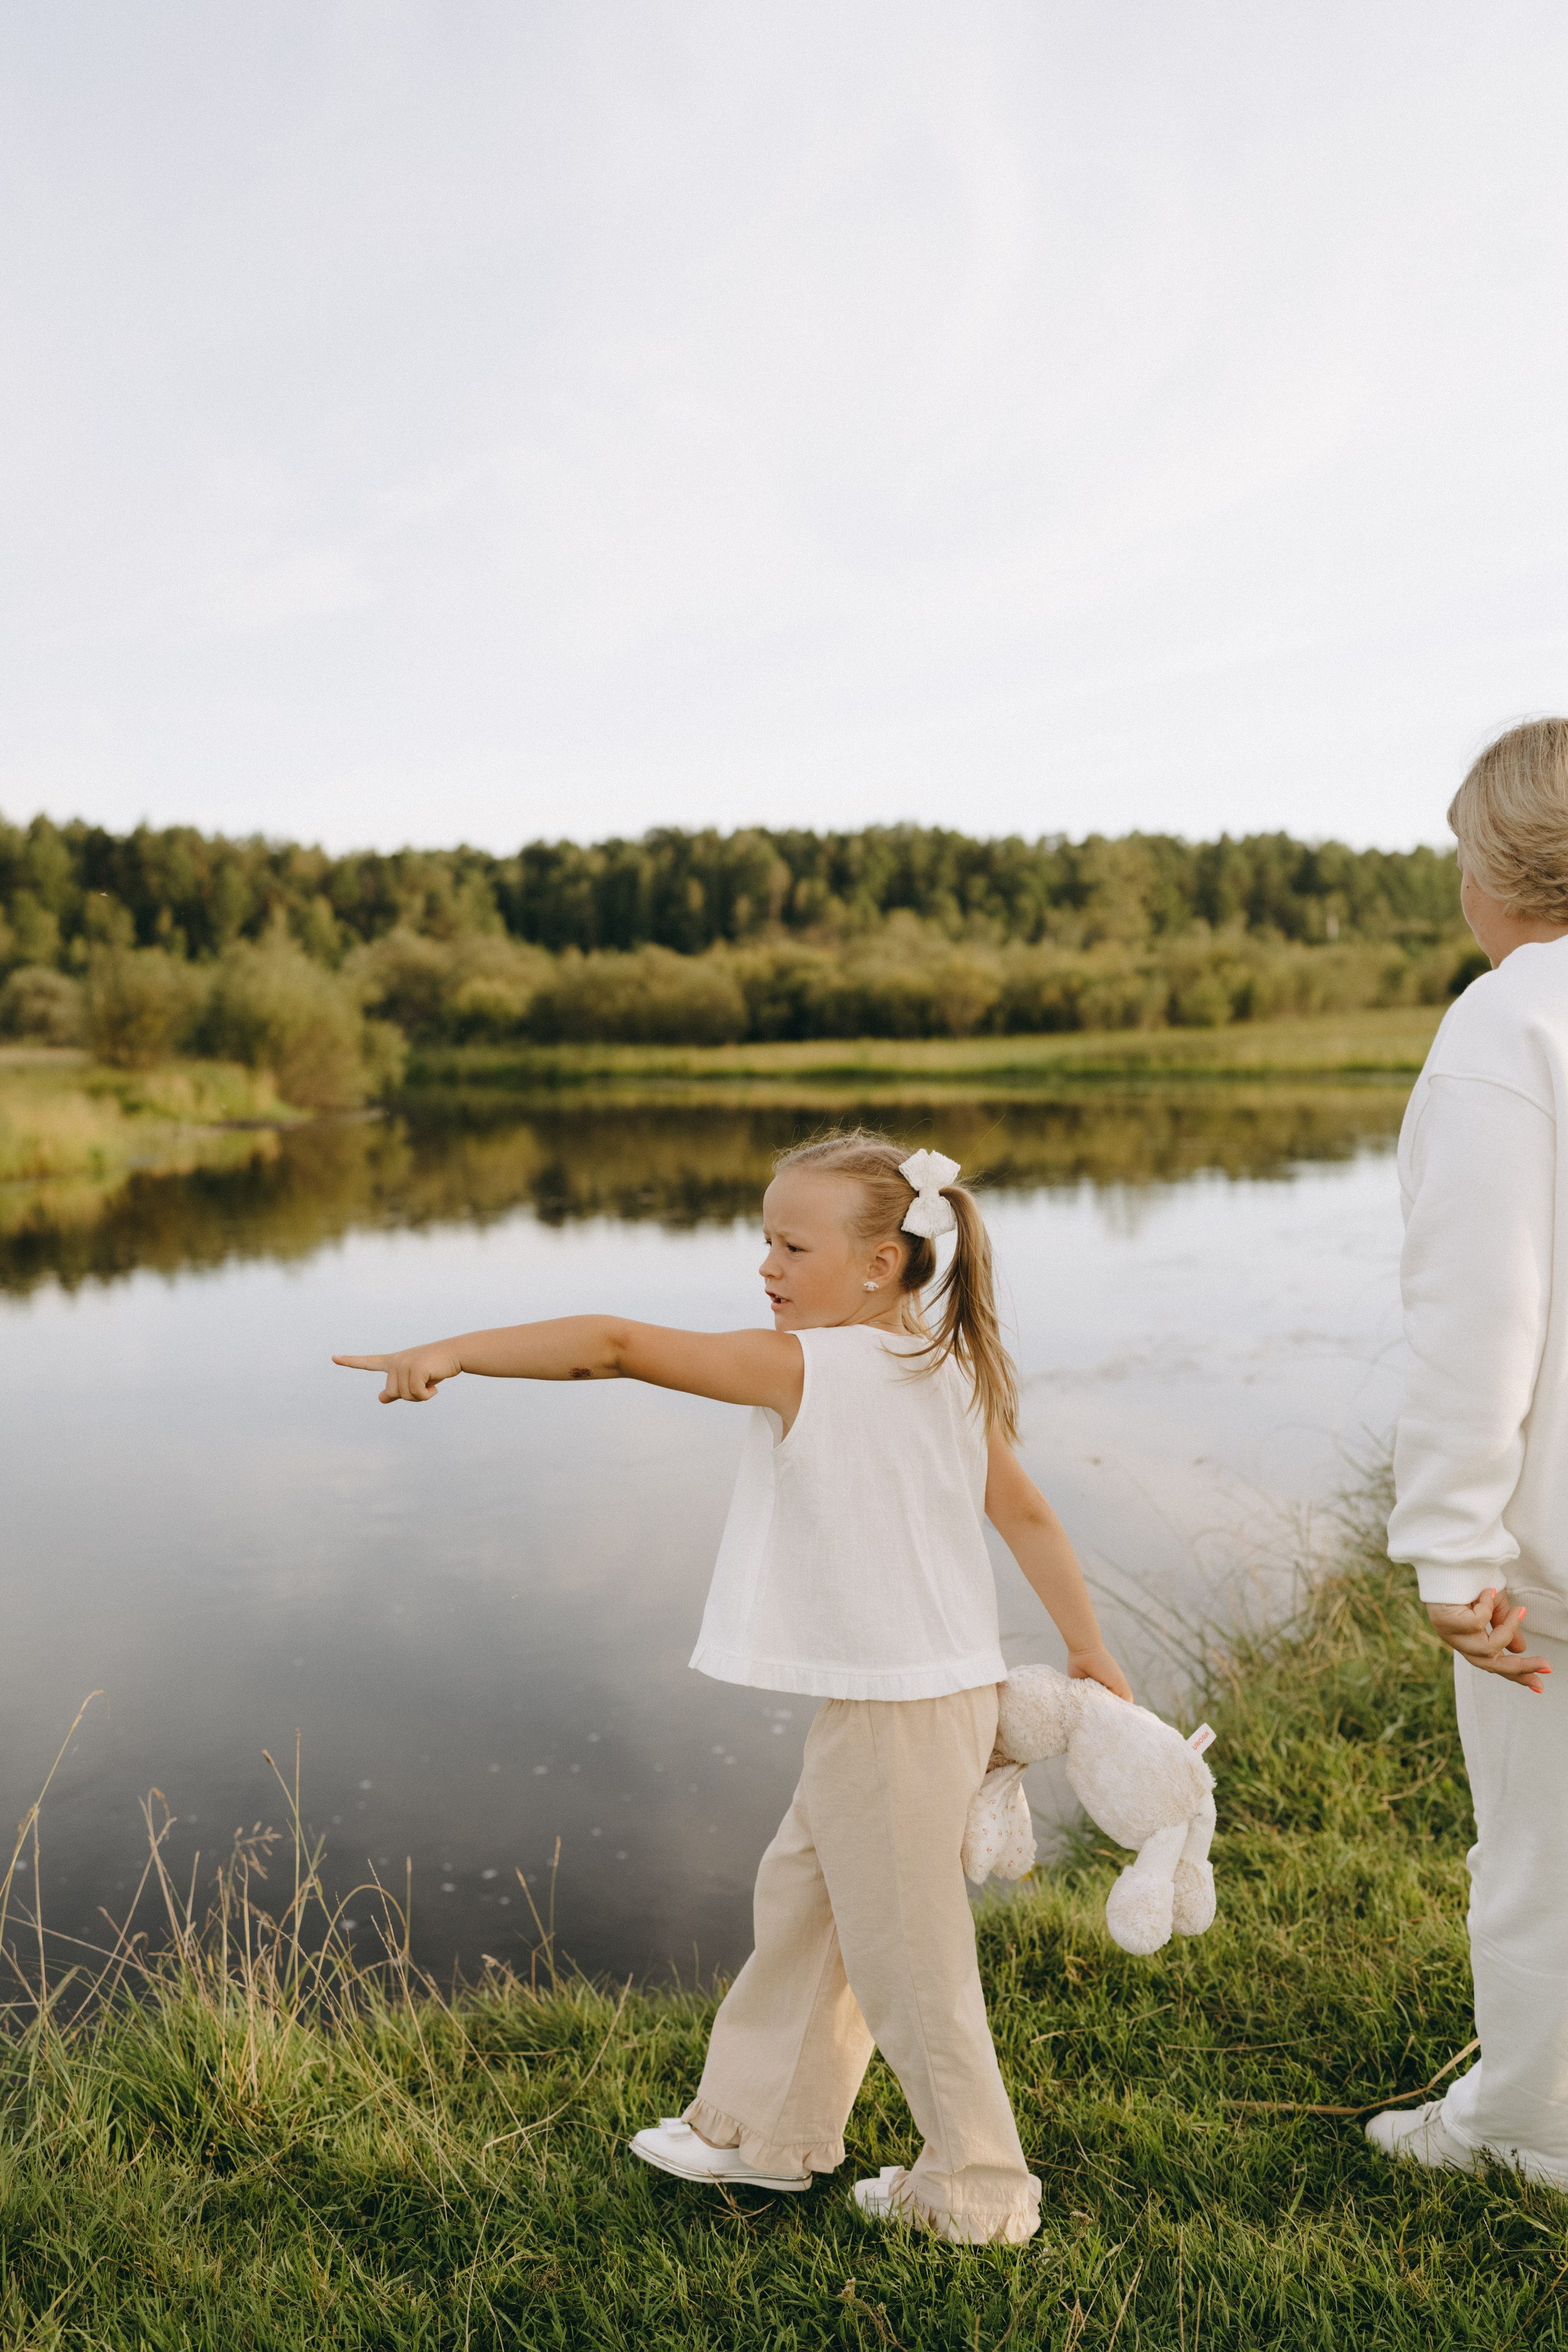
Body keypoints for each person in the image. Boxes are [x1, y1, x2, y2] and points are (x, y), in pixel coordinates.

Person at [336, 1128, 1132, 2244]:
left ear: (879, 1264)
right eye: (765, 1240)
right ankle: (762, 2133)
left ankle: (979, 2191)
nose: (766, 1267)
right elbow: (1030, 1514)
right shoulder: (940, 1364)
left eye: (791, 1246)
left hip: (904, 1710)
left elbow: (613, 1344)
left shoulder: (811, 1365)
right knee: (809, 1907)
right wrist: (1088, 1646)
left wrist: (457, 1348)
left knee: (911, 1955)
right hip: (920, 1697)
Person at [1378, 718, 1568, 2187]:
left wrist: (1451, 1547)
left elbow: (1475, 1311)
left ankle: (1523, 2130)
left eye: (1458, 851)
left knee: (1537, 1856)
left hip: (1550, 1568)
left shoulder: (1505, 1023)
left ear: (1499, 865)